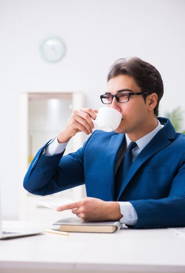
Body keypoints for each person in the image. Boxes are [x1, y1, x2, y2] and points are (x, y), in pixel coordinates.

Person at [23, 57, 185, 228]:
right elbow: (36, 185)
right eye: (109, 97)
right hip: (99, 252)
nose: (113, 107)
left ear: (151, 101)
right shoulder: (97, 144)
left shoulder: (180, 149)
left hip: (155, 253)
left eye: (123, 96)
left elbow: (181, 206)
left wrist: (115, 210)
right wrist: (63, 137)